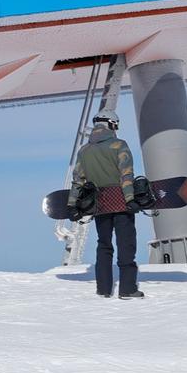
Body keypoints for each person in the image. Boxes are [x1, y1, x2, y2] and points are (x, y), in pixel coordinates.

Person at [71, 116, 144, 299]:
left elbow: (78, 180)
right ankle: (127, 289)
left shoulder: (84, 151)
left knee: (104, 245)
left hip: (100, 203)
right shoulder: (119, 145)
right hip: (121, 202)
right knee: (126, 245)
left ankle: (103, 289)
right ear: (111, 125)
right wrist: (130, 199)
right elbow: (126, 175)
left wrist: (72, 205)